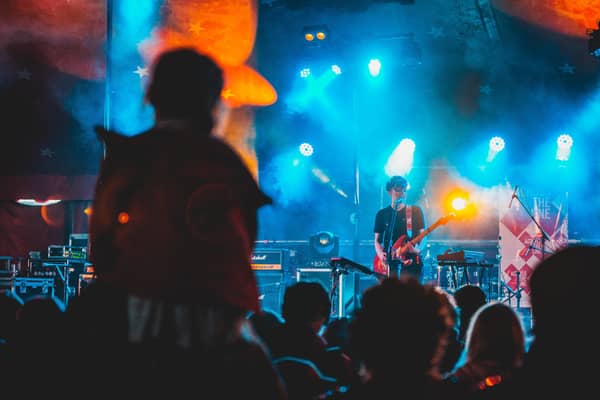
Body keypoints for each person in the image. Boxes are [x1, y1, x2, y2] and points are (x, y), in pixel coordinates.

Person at [64, 48, 286, 398]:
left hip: (132, 319)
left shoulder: (130, 157)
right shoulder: (225, 163)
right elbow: (245, 241)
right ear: (211, 100)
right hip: (216, 324)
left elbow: (102, 243)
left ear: (154, 97)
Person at [373, 175, 426, 280]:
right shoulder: (382, 214)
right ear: (389, 191)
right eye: (398, 189)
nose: (402, 193)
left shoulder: (415, 211)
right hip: (390, 263)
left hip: (411, 264)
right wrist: (381, 255)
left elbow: (423, 236)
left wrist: (417, 250)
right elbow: (377, 240)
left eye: (404, 190)